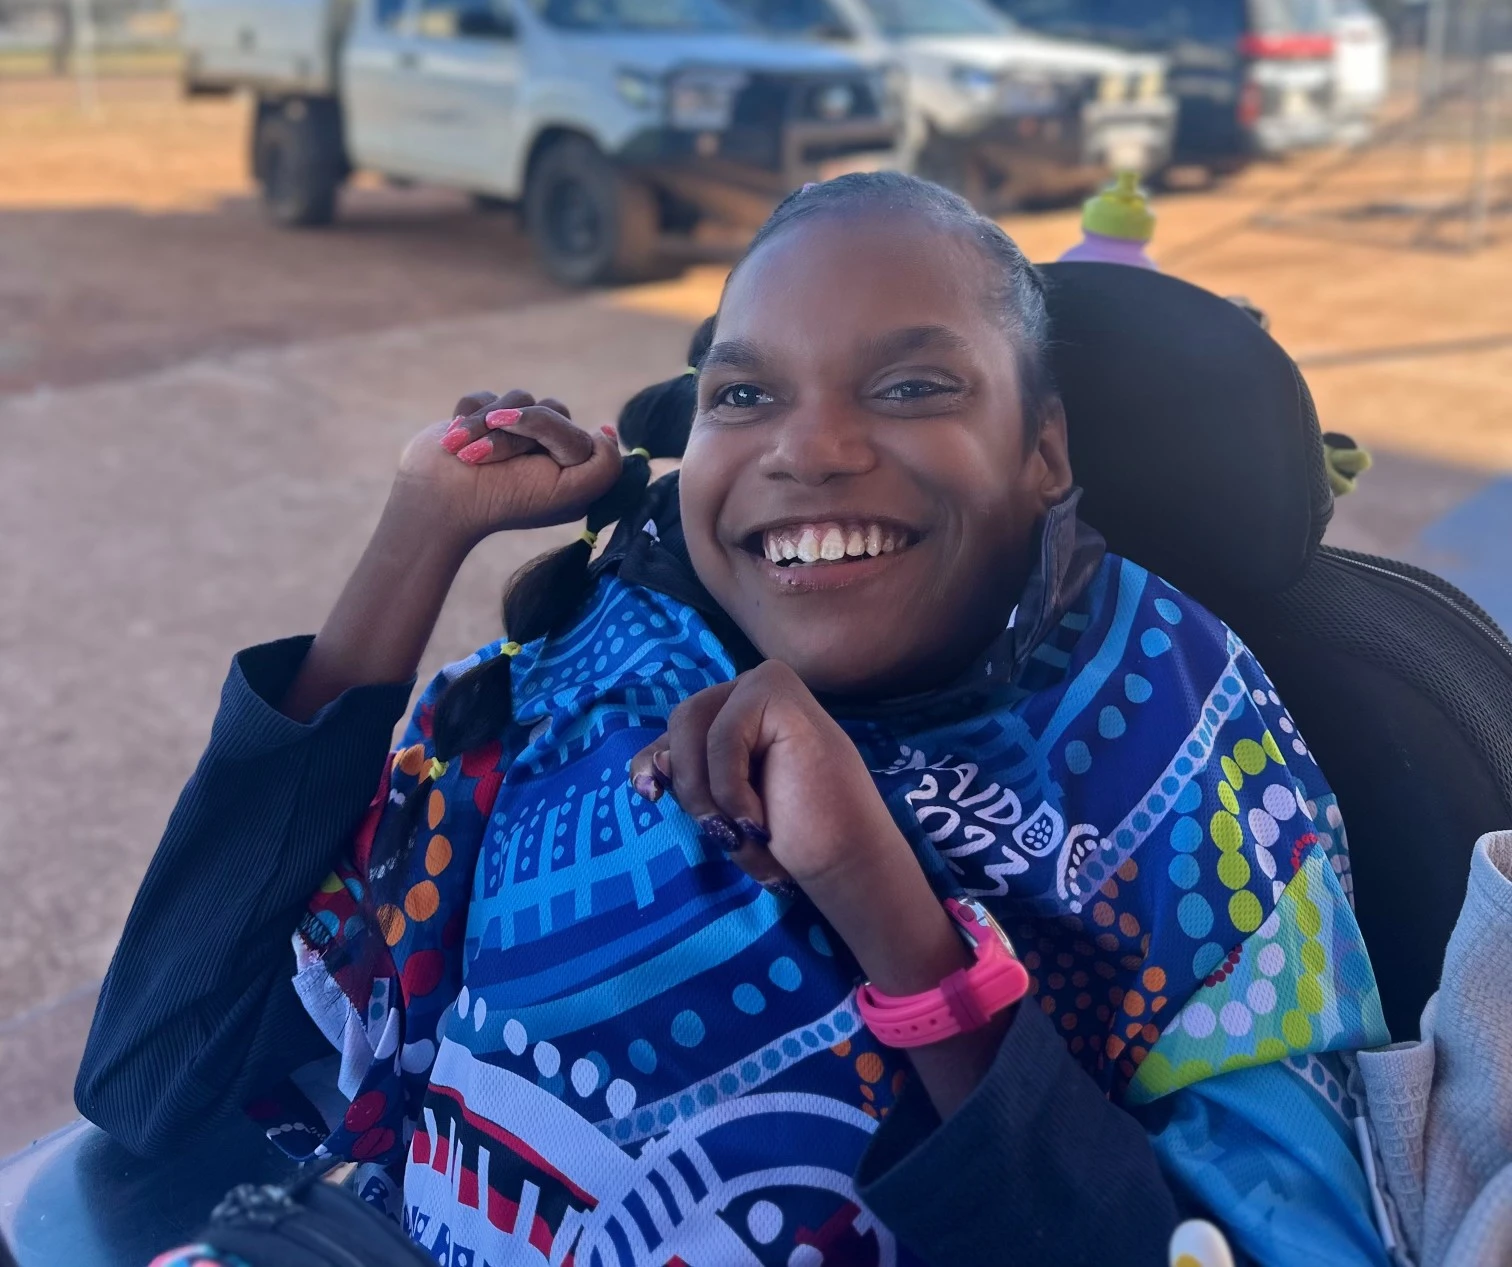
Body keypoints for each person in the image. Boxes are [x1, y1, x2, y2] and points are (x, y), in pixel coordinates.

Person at [80, 173, 1392, 1267]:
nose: (807, 450)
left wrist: (894, 914)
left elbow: (1276, 1238)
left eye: (914, 386)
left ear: (1044, 446)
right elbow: (157, 1068)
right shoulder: (606, 662)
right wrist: (421, 535)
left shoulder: (1173, 744)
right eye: (744, 394)